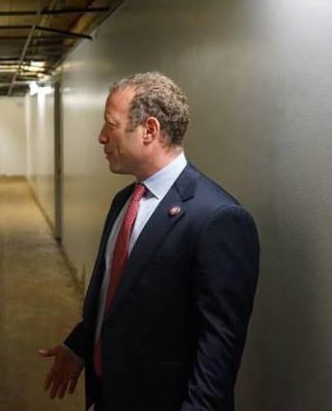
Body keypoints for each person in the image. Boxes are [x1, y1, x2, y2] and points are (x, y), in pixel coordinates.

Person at [39, 72, 259, 410]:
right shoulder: (124, 201)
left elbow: (218, 348)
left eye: (110, 125)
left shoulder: (217, 219)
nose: (101, 137)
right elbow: (119, 301)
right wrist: (80, 345)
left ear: (149, 130)